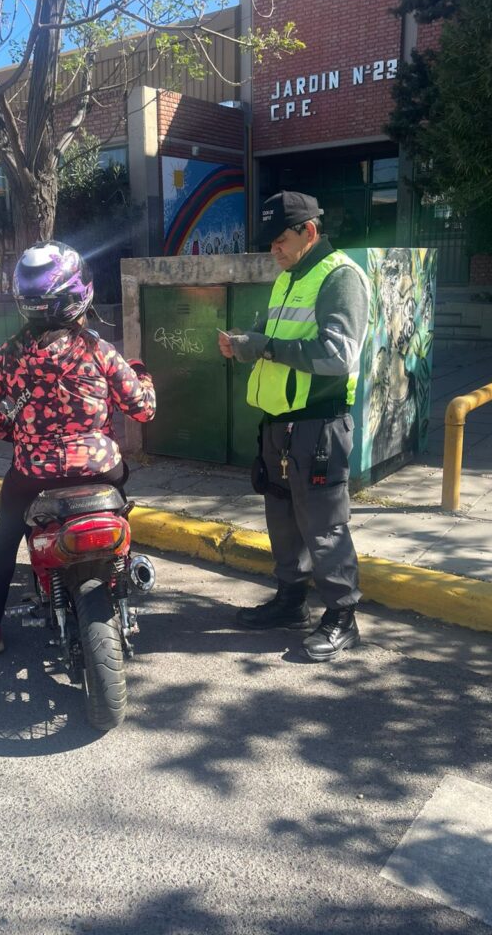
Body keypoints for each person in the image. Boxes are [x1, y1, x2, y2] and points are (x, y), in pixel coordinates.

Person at [0, 241, 156, 654]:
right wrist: (146, 379)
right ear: (80, 294)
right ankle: (124, 567)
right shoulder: (100, 351)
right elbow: (142, 410)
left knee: (4, 540)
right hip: (100, 469)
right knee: (121, 496)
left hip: (34, 474)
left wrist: (9, 423)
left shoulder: (7, 358)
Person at [218, 191, 370, 661]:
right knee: (282, 519)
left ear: (308, 231)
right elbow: (285, 341)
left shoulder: (340, 276)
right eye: (269, 244)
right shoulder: (291, 276)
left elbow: (338, 355)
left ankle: (343, 617)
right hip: (280, 427)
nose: (273, 251)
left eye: (279, 240)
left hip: (318, 427)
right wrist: (249, 343)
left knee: (323, 525)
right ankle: (290, 602)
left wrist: (262, 347)